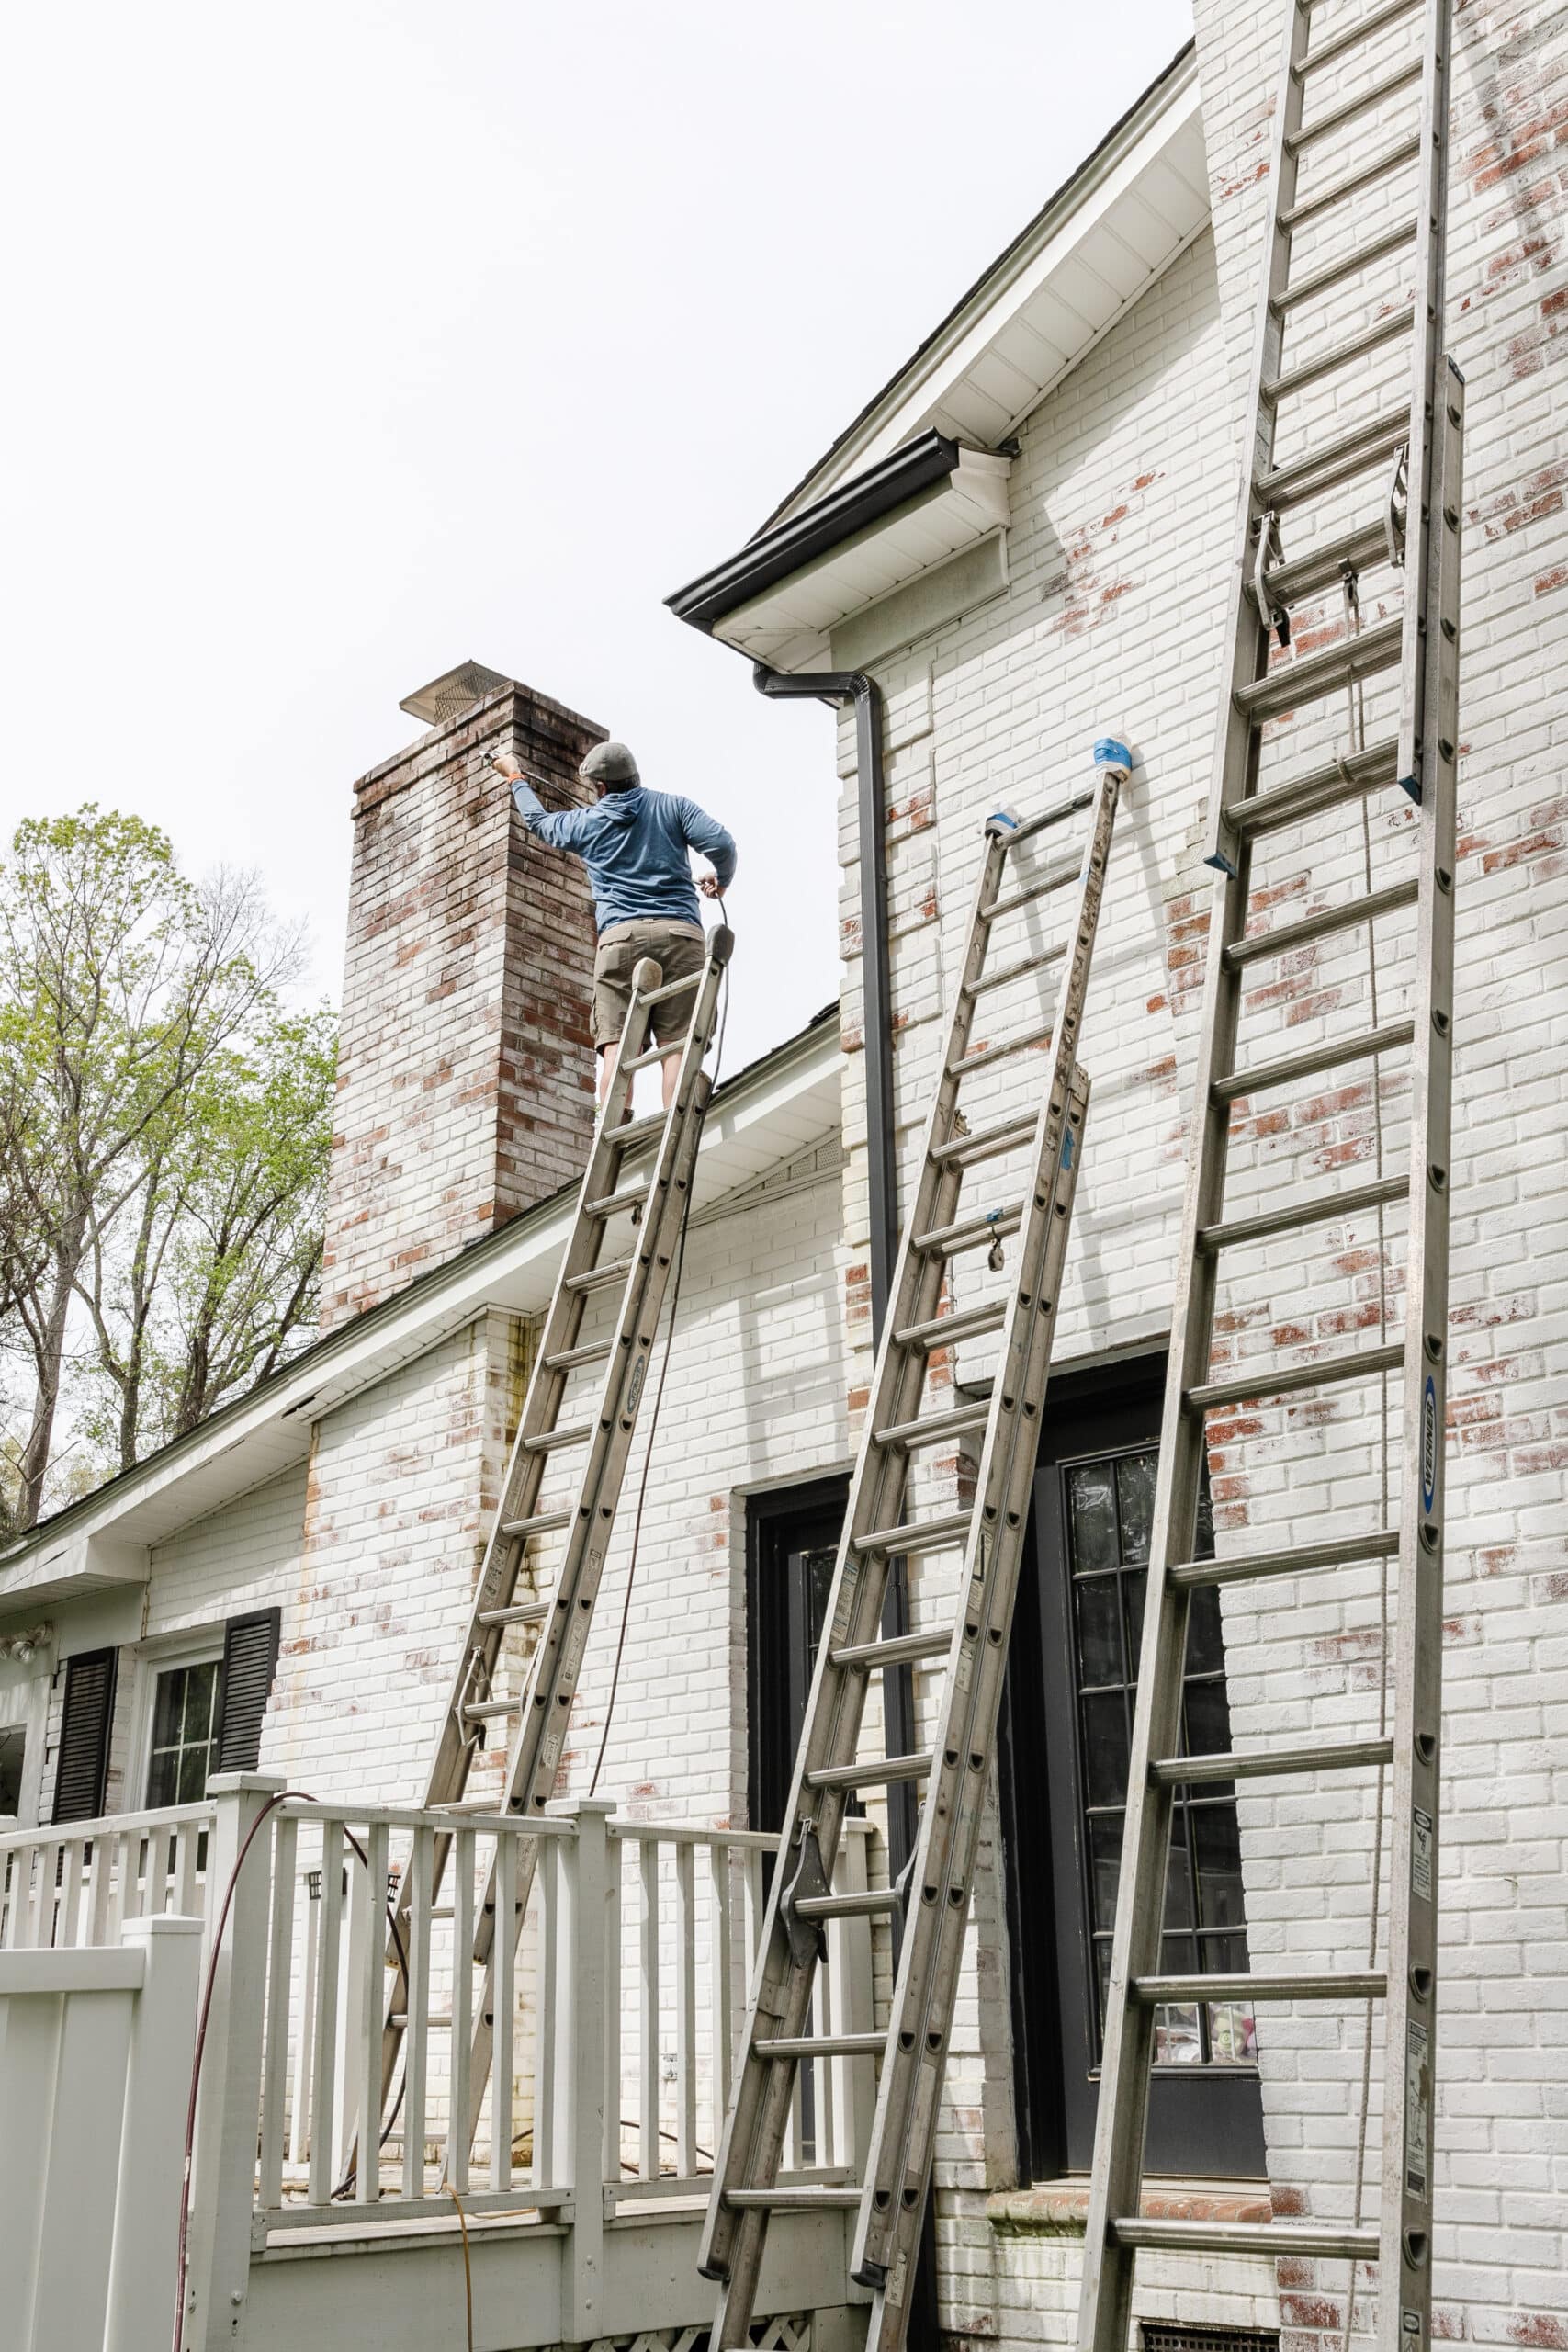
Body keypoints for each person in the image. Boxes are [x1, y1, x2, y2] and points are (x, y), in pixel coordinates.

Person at [493, 739, 737, 1108]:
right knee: (677, 1048)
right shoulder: (673, 806)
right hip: (680, 935)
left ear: (601, 788)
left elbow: (539, 822)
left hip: (620, 942)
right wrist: (722, 879)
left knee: (617, 1053)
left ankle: (613, 1144)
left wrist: (514, 776)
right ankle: (672, 1135)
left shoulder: (586, 822)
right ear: (636, 775)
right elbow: (721, 843)